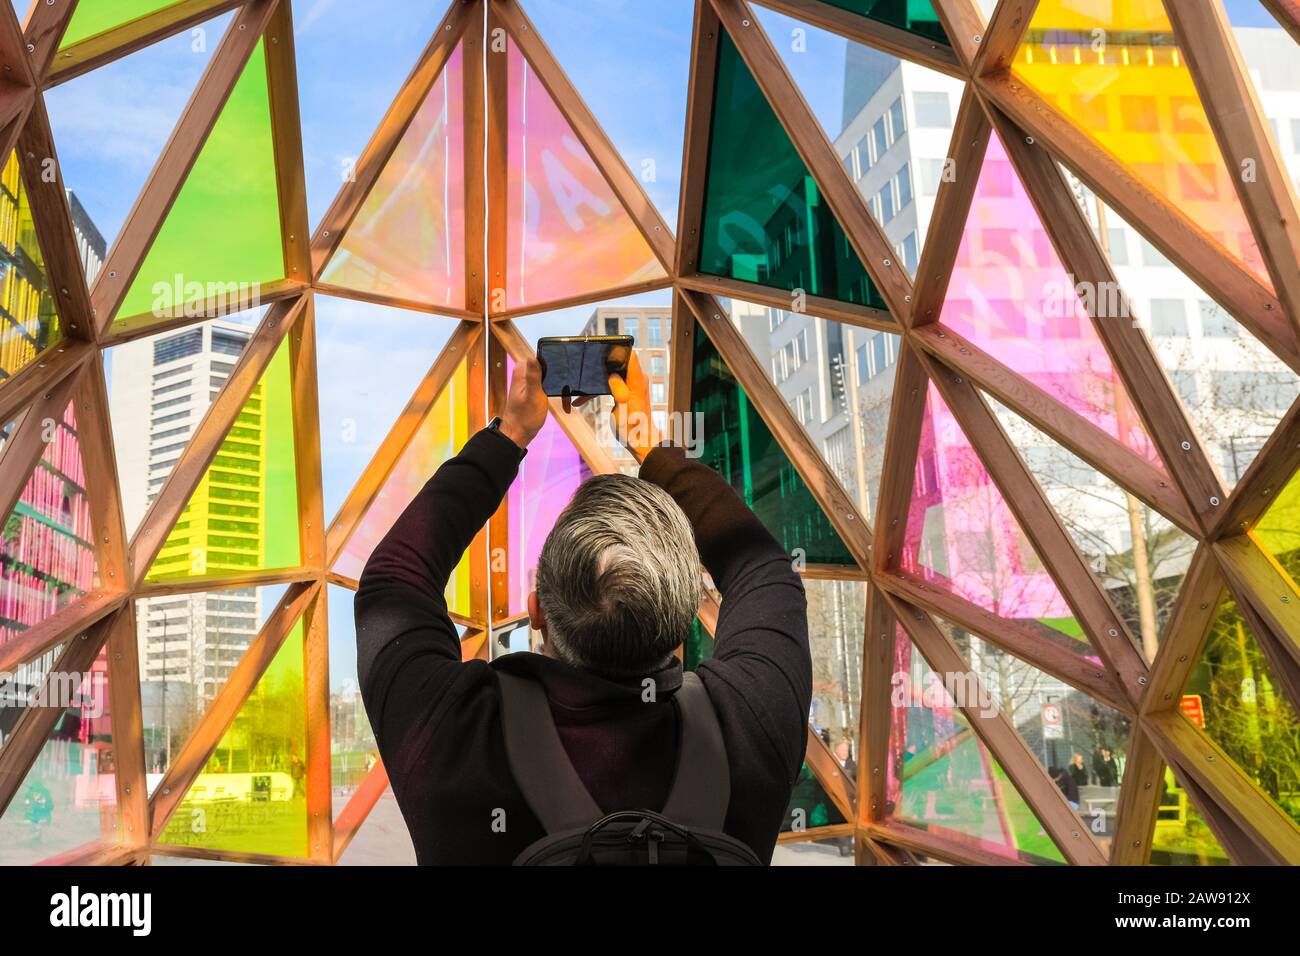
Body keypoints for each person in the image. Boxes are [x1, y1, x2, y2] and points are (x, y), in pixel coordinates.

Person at [355, 354, 811, 864]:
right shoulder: (749, 731)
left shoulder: (454, 742)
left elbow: (393, 579)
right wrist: (646, 440)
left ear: (537, 611)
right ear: (683, 617)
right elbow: (765, 568)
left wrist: (510, 434)